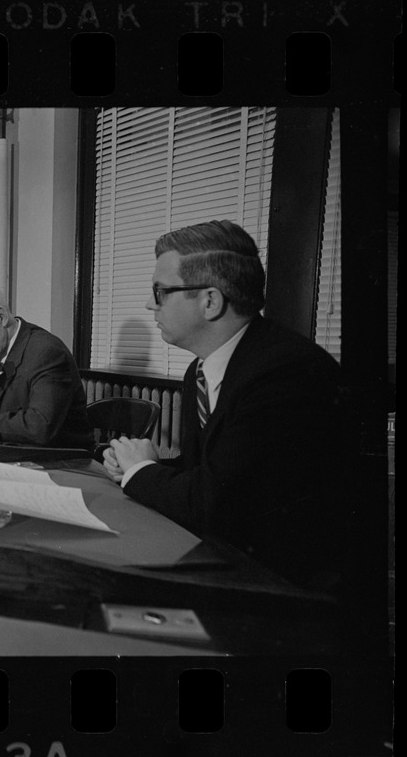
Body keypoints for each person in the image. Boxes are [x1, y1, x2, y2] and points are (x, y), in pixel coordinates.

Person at [103, 220, 348, 593]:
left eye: (161, 291)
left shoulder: (286, 373)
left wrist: (142, 471)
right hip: (228, 558)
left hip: (285, 586)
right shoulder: (200, 369)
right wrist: (136, 466)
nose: (149, 303)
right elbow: (211, 472)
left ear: (211, 301)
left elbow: (217, 504)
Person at [0, 281, 93, 450]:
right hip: (4, 455)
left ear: (1, 316)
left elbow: (40, 427)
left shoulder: (46, 353)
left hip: (62, 463)